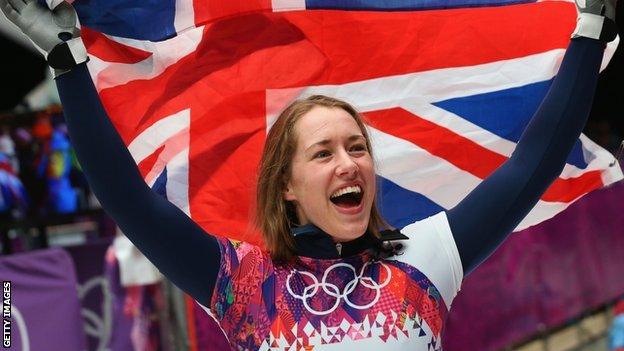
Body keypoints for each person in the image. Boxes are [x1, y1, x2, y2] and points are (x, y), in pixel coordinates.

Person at [0, 0, 618, 349]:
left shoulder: (426, 257)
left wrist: (590, 26)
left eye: (357, 147)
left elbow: (528, 168)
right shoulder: (240, 281)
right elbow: (131, 202)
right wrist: (68, 63)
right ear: (287, 185)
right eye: (324, 153)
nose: (349, 162)